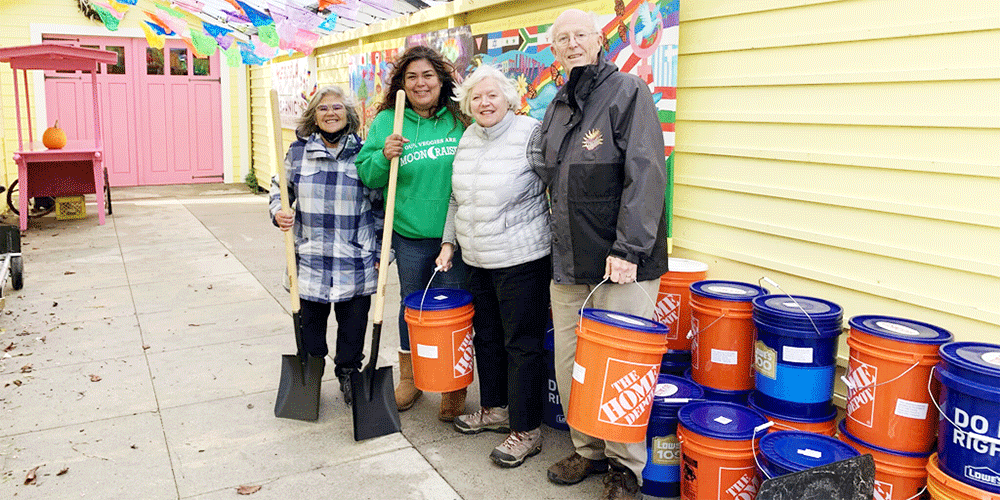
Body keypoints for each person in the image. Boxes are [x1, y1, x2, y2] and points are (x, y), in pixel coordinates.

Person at [532, 9, 670, 500]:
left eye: (579, 36)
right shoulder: (559, 102)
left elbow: (647, 171)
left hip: (621, 264)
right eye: (561, 39)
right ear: (553, 51)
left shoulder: (628, 90)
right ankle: (586, 448)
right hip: (569, 262)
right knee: (574, 363)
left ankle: (624, 465)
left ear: (598, 40)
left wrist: (630, 247)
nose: (571, 44)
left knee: (619, 366)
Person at [435, 65, 551, 468]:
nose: (485, 103)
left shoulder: (531, 134)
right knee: (486, 337)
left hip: (522, 259)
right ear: (468, 105)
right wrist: (449, 242)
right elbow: (456, 199)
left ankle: (527, 429)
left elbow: (556, 185)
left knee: (522, 345)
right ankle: (496, 409)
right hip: (476, 257)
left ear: (509, 100)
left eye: (492, 96)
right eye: (477, 98)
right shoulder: (468, 137)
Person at [356, 45, 472, 422]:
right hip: (408, 235)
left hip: (456, 236)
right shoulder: (390, 119)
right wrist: (382, 155)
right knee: (413, 309)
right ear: (401, 84)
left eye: (428, 75)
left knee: (453, 312)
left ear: (441, 79)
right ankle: (413, 378)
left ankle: (454, 385)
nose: (421, 83)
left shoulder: (460, 118)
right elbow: (367, 174)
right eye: (412, 77)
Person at [269, 85, 382, 407]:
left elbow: (381, 205)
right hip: (309, 258)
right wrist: (279, 211)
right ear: (313, 116)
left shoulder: (366, 153)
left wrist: (379, 251)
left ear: (348, 114)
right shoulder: (295, 152)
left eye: (337, 107)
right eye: (323, 108)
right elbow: (280, 191)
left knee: (353, 329)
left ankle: (349, 374)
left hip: (354, 258)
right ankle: (310, 375)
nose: (330, 113)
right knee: (311, 330)